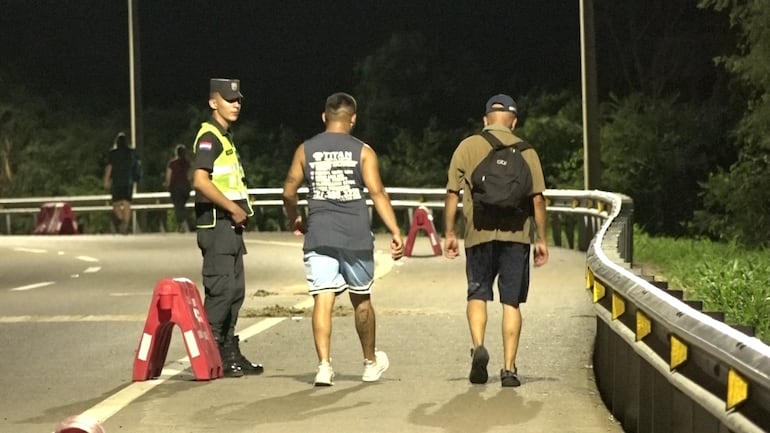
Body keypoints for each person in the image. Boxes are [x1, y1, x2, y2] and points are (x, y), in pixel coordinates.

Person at [282, 92, 404, 386]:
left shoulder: (305, 149)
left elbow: (288, 190)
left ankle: (324, 366)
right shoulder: (363, 151)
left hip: (320, 234)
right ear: (353, 119)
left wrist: (294, 217)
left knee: (322, 299)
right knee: (361, 299)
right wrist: (396, 231)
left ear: (324, 117)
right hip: (356, 237)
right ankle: (370, 363)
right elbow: (377, 193)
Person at [443, 94, 549, 387]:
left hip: (479, 233)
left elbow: (452, 193)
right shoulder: (527, 152)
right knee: (511, 302)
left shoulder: (467, 146)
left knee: (477, 294)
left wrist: (450, 233)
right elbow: (538, 200)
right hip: (517, 236)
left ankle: (478, 347)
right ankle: (509, 369)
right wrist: (541, 239)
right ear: (514, 122)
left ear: (486, 119)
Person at [191, 78, 263, 378]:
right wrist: (233, 208)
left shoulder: (226, 137)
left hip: (231, 229)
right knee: (221, 291)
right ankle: (210, 354)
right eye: (229, 99)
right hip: (218, 225)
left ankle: (229, 352)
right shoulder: (209, 136)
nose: (236, 104)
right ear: (213, 102)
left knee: (235, 292)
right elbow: (200, 180)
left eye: (238, 100)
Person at [103, 131, 141, 234]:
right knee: (127, 203)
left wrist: (106, 180)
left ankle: (121, 221)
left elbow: (109, 167)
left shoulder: (113, 153)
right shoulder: (131, 152)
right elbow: (137, 164)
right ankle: (126, 224)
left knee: (115, 203)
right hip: (129, 181)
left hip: (117, 181)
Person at [164, 144, 192, 232]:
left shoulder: (172, 163)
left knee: (178, 207)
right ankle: (182, 227)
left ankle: (184, 224)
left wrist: (167, 185)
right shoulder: (187, 163)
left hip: (175, 188)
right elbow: (190, 176)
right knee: (181, 206)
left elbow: (168, 176)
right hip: (186, 188)